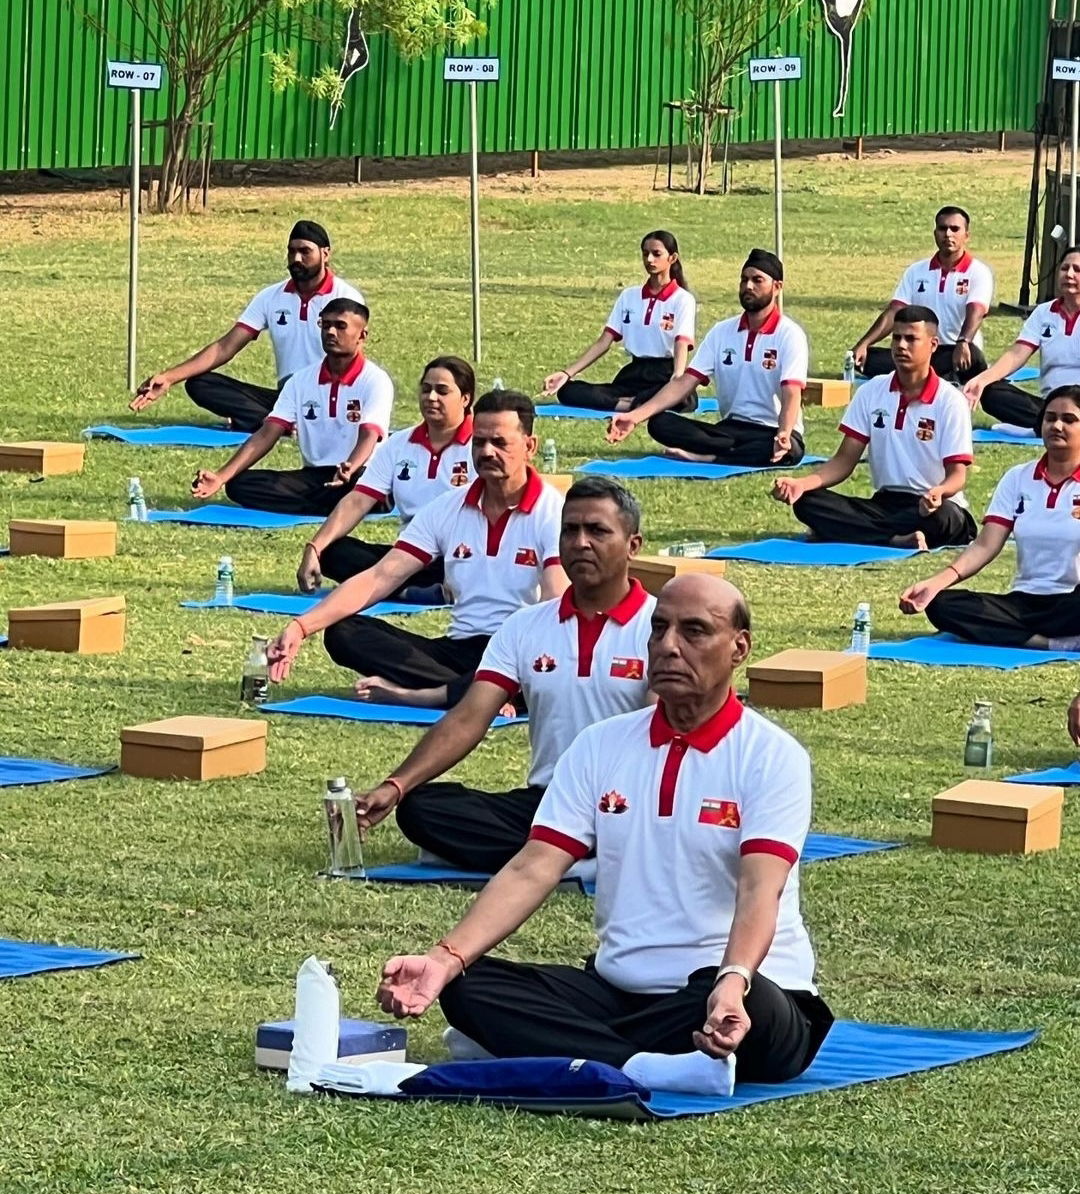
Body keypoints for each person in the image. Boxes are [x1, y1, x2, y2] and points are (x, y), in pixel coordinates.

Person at [375, 573, 834, 1097]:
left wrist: (733, 979)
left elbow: (761, 889)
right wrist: (443, 959)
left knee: (746, 1009)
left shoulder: (772, 756)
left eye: (694, 632)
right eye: (658, 629)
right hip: (619, 990)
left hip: (736, 991)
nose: (668, 646)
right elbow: (534, 867)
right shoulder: (602, 745)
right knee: (469, 987)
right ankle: (643, 1064)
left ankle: (549, 1044)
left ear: (739, 648)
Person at [352, 477, 655, 872]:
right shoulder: (525, 626)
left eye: (597, 531)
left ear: (633, 545)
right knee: (421, 809)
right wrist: (396, 785)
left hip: (625, 804)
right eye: (570, 530)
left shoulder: (661, 628)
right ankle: (569, 858)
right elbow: (468, 718)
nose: (581, 542)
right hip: (549, 804)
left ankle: (568, 855)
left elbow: (662, 742)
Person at [267, 390, 569, 708]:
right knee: (344, 632)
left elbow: (554, 610)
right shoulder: (450, 507)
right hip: (456, 651)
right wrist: (301, 627)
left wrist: (519, 668)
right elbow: (380, 576)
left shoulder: (553, 512)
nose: (487, 452)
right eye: (479, 442)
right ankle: (478, 694)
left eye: (500, 442)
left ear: (530, 447)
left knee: (545, 659)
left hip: (517, 649)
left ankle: (443, 693)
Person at [130, 221, 365, 431]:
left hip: (328, 395)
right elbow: (225, 347)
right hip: (287, 396)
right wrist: (169, 377)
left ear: (325, 254)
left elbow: (353, 358)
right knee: (200, 383)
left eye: (305, 252)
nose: (296, 259)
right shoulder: (271, 296)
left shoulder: (345, 297)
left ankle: (277, 422)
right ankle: (277, 423)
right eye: (291, 252)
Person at [773, 306, 975, 550]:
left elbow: (957, 475)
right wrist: (801, 484)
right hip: (885, 503)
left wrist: (939, 492)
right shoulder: (872, 391)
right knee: (807, 502)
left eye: (911, 339)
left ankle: (855, 531)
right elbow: (843, 461)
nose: (901, 345)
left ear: (933, 345)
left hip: (931, 507)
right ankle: (896, 540)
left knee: (948, 520)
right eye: (897, 338)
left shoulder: (950, 400)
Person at [899, 386, 1080, 648]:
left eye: (1069, 420)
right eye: (1050, 418)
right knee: (943, 604)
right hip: (1023, 603)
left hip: (1072, 602)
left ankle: (1026, 635)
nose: (1057, 426)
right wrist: (936, 582)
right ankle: (1050, 643)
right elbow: (985, 546)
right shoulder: (1018, 478)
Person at [190, 299, 392, 516]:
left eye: (340, 326)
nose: (331, 332)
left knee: (370, 489)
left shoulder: (375, 380)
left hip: (359, 474)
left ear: (362, 335)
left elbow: (369, 436)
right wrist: (221, 476)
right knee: (240, 485)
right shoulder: (301, 380)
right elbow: (267, 433)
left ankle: (340, 504)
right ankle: (338, 508)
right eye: (325, 325)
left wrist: (349, 468)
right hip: (315, 476)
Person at [606, 249, 807, 467]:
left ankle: (708, 457)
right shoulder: (722, 331)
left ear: (777, 287)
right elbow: (685, 383)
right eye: (744, 280)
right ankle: (729, 452)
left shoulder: (790, 334)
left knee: (790, 450)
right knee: (660, 423)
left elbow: (792, 392)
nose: (748, 286)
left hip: (771, 432)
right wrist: (634, 417)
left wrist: (785, 432)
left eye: (757, 280)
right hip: (730, 429)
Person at [297, 356, 475, 595]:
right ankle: (415, 590)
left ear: (465, 398)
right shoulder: (400, 443)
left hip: (461, 553)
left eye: (442, 391)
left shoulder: (481, 447)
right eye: (426, 390)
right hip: (408, 555)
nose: (431, 397)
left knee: (472, 565)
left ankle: (411, 588)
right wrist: (314, 547)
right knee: (332, 552)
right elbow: (358, 500)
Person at [539, 231, 697, 414]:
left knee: (684, 398)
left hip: (664, 373)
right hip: (634, 374)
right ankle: (632, 404)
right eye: (645, 254)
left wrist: (677, 378)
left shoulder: (683, 299)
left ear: (672, 258)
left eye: (656, 254)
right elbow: (604, 342)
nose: (650, 259)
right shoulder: (629, 296)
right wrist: (566, 374)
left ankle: (634, 404)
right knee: (568, 391)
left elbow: (681, 342)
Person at [851, 206, 993, 381]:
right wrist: (864, 343)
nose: (948, 234)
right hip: (919, 350)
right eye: (942, 228)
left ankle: (937, 373)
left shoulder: (978, 272)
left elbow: (976, 312)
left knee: (973, 358)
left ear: (966, 235)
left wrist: (963, 341)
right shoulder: (916, 271)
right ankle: (931, 373)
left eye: (955, 229)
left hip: (955, 350)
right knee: (863, 358)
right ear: (935, 233)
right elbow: (894, 311)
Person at [963, 249, 1080, 431]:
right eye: (1065, 269)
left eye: (1077, 270)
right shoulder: (1043, 312)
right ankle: (1055, 423)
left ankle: (1052, 424)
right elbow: (1017, 354)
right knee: (992, 393)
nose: (1069, 274)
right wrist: (982, 380)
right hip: (1048, 403)